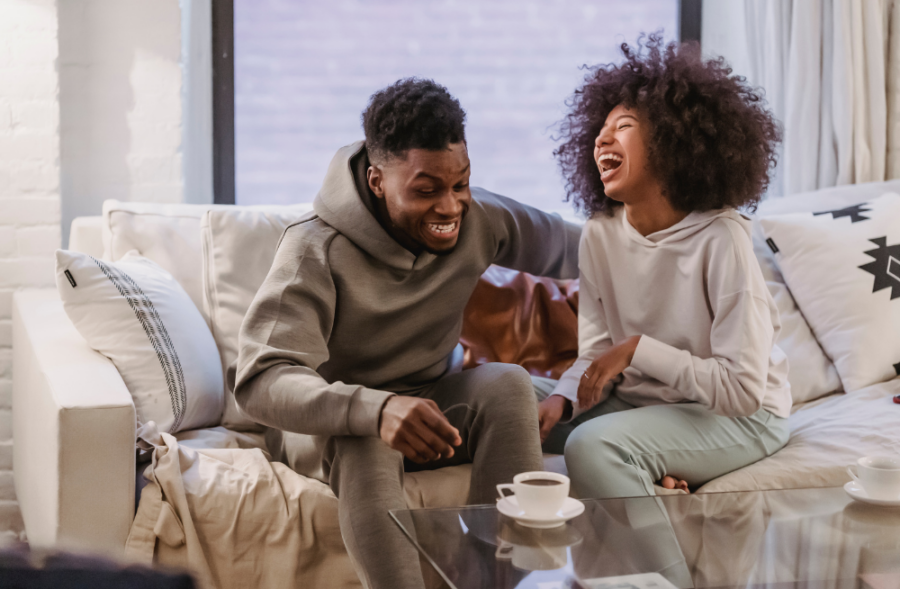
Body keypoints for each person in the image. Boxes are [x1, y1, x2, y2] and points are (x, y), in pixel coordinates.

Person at [235, 77, 580, 589]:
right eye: (426, 190)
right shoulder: (314, 249)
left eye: (459, 184)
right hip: (338, 423)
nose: (450, 207)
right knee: (367, 442)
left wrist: (688, 232)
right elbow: (260, 380)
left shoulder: (478, 217)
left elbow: (587, 249)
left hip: (431, 404)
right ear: (377, 181)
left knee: (508, 384)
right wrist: (373, 409)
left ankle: (500, 581)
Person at [535, 34, 793, 500]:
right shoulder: (601, 232)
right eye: (601, 129)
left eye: (625, 125)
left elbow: (742, 391)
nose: (602, 139)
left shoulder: (722, 237)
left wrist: (637, 350)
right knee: (511, 405)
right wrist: (563, 396)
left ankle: (661, 575)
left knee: (593, 445)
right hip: (640, 403)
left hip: (740, 417)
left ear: (675, 143)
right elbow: (595, 355)